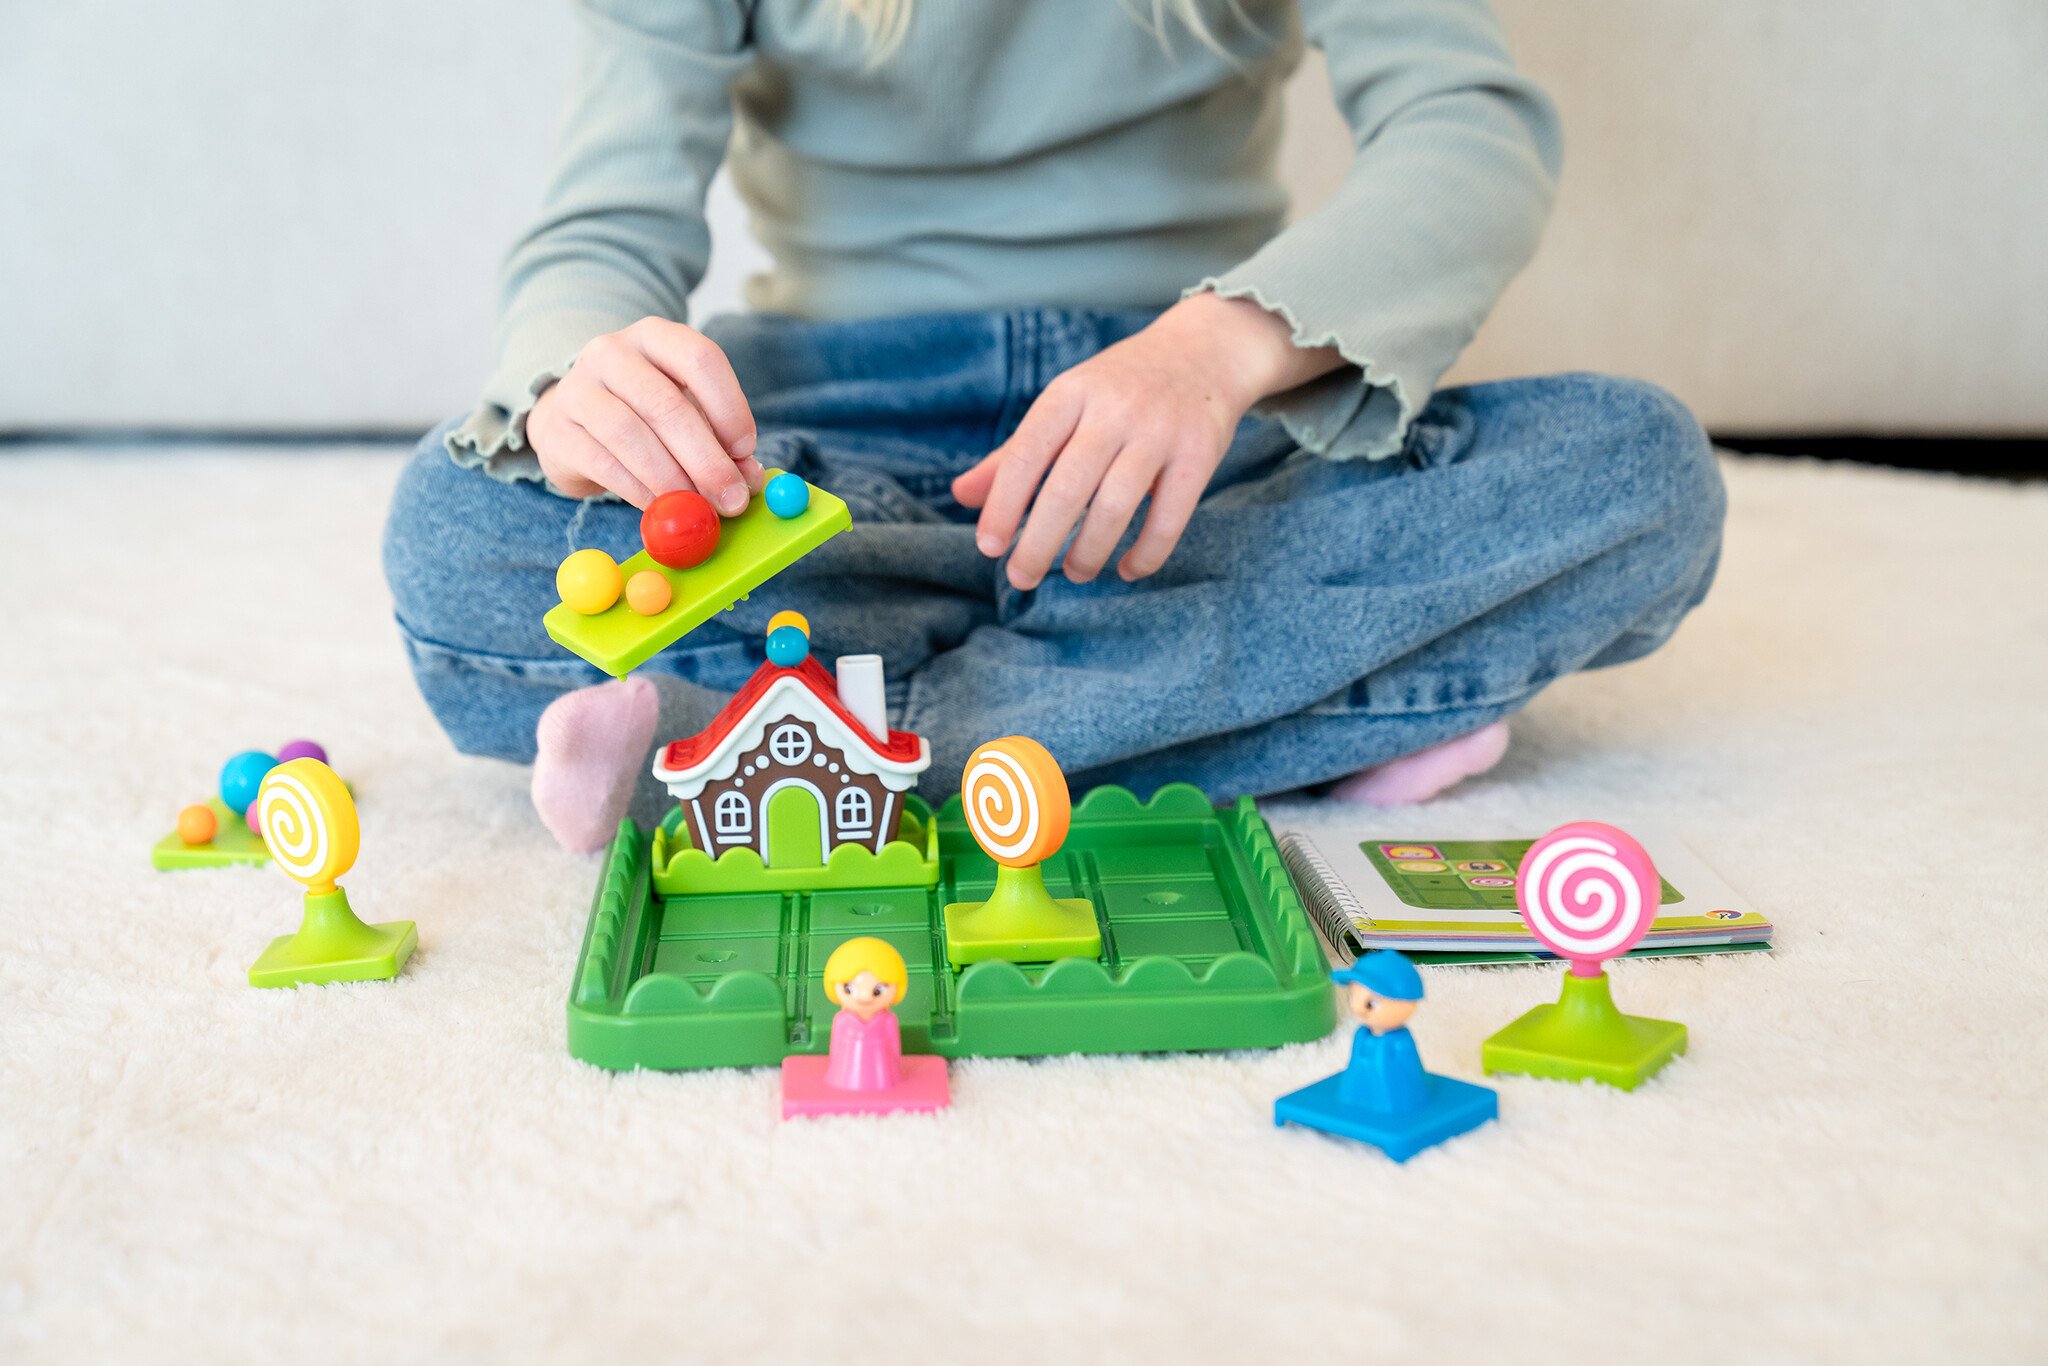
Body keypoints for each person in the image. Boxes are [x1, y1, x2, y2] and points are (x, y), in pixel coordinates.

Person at [383, 0, 1726, 853]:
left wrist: (1217, 347)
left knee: (1638, 470)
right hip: (833, 441)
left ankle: (779, 755)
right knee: (459, 532)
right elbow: (603, 223)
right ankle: (1265, 709)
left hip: (1198, 440)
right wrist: (584, 374)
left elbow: (1465, 124)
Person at [1330, 950, 1429, 1113]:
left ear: (1407, 1004)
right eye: (1352, 998)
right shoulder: (1362, 1034)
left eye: (1370, 1004)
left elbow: (1408, 1074)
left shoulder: (1400, 1041)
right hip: (1357, 1092)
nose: (1359, 1009)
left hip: (1393, 1098)